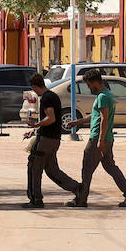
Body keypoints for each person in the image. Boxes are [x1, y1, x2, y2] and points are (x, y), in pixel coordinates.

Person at [67, 69, 126, 208]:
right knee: (111, 167)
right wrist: (78, 122)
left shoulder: (103, 97)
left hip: (98, 139)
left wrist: (100, 140)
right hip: (108, 138)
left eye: (89, 84)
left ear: (94, 82)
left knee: (87, 168)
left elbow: (104, 119)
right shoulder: (107, 95)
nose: (88, 87)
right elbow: (96, 116)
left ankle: (81, 199)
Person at [22, 72, 80, 208]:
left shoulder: (47, 98)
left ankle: (36, 199)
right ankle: (78, 189)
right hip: (54, 139)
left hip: (45, 141)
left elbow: (51, 118)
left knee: (34, 168)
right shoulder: (53, 96)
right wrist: (34, 131)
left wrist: (36, 124)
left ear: (34, 86)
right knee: (52, 170)